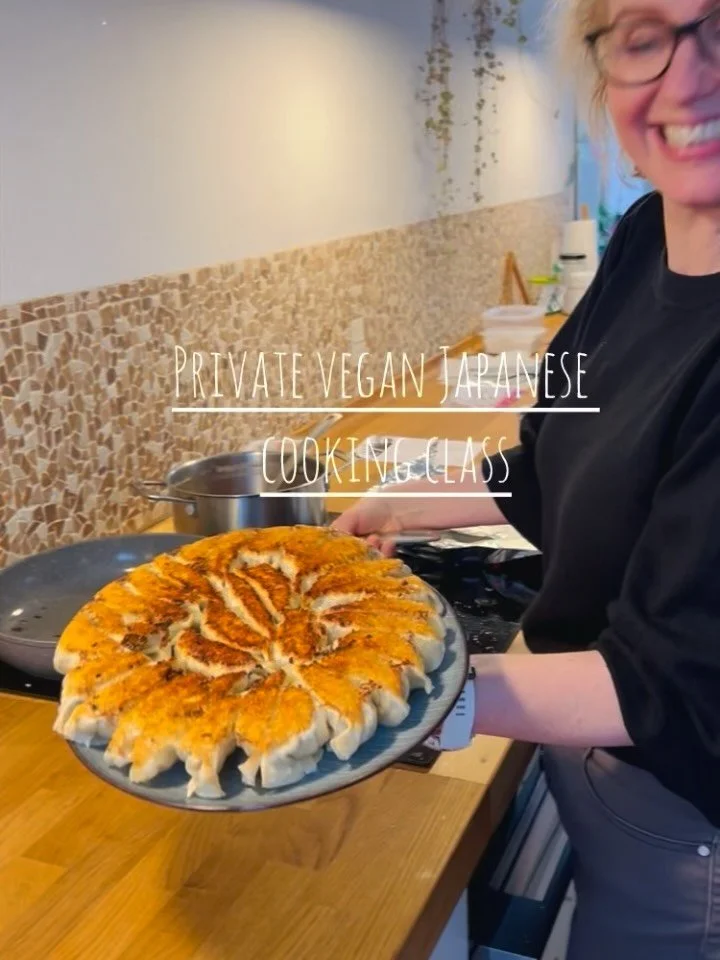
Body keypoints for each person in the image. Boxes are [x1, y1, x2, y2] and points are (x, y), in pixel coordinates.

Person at [332, 0, 720, 956]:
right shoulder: (641, 236)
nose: (687, 75)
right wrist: (397, 501)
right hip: (592, 765)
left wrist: (396, 695)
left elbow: (670, 689)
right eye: (642, 36)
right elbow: (558, 459)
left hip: (684, 829)